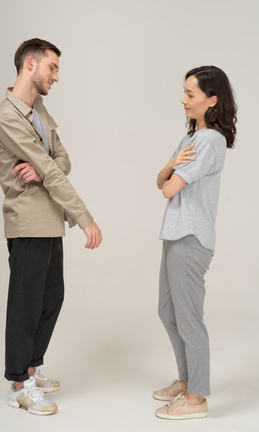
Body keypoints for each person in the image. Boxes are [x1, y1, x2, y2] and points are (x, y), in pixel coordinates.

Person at [0, 38, 103, 416]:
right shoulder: (6, 117)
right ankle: (18, 384)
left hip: (50, 220)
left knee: (52, 297)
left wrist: (42, 168)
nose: (56, 76)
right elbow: (53, 165)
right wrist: (85, 217)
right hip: (27, 222)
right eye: (52, 67)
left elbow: (61, 160)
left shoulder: (38, 109)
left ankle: (32, 368)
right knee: (25, 305)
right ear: (30, 64)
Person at [153, 66, 237, 420]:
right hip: (175, 234)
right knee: (168, 311)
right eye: (184, 92)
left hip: (191, 238)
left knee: (189, 319)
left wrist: (171, 172)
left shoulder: (210, 140)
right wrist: (172, 162)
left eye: (191, 94)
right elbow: (160, 181)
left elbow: (170, 188)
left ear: (212, 100)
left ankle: (196, 399)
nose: (184, 100)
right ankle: (187, 380)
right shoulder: (191, 138)